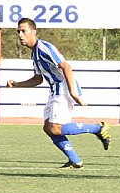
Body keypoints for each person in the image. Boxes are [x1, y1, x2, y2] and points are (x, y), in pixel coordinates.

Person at [6, 18, 111, 168]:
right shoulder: (35, 53)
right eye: (18, 32)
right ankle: (75, 160)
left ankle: (98, 128)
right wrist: (17, 84)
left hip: (63, 88)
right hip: (55, 90)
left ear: (33, 32)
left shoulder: (44, 47)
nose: (20, 35)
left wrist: (73, 93)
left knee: (55, 127)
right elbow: (38, 79)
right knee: (48, 128)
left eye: (23, 31)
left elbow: (66, 66)